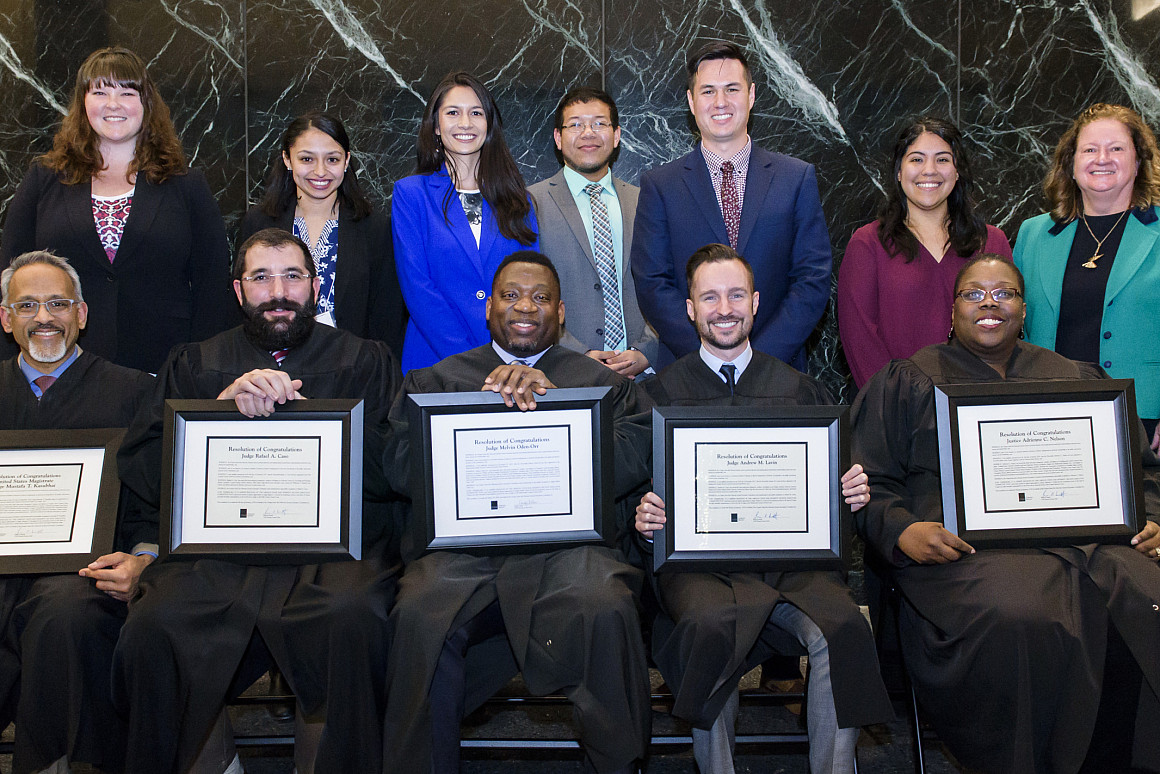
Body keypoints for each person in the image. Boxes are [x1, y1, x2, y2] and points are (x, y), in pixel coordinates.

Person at [852, 254, 1160, 773]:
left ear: (1024, 310)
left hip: (1090, 543)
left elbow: (1139, 472)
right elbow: (869, 482)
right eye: (974, 293)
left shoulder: (1075, 379)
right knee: (1020, 616)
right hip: (961, 555)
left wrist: (1151, 515)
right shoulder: (907, 380)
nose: (990, 303)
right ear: (952, 312)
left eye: (1005, 293)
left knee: (1145, 598)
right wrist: (903, 531)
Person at [113, 228, 402, 774]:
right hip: (215, 559)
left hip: (329, 558)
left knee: (353, 618)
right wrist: (212, 412)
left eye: (292, 276)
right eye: (261, 277)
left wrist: (317, 418)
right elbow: (144, 468)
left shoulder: (364, 359)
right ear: (238, 289)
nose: (278, 290)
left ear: (315, 287)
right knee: (154, 627)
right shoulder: (196, 364)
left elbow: (394, 467)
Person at [382, 252, 652, 774]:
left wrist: (560, 411)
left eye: (541, 297)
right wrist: (474, 413)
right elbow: (396, 466)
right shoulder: (437, 381)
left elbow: (634, 459)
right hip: (463, 556)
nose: (525, 306)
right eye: (510, 295)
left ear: (562, 312)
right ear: (489, 310)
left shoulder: (601, 383)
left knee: (606, 605)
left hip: (572, 551)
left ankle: (621, 764)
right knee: (419, 612)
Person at [633, 244, 892, 774]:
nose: (723, 308)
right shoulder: (656, 395)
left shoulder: (800, 390)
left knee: (842, 627)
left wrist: (852, 491)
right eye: (709, 297)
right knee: (711, 626)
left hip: (793, 565)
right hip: (699, 568)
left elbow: (834, 497)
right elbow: (632, 499)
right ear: (689, 308)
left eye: (734, 295)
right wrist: (643, 520)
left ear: (754, 302)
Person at [0, 250, 152, 774]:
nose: (44, 317)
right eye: (28, 305)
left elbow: (155, 500)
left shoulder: (135, 392)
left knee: (68, 616)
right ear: (6, 318)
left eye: (58, 303)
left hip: (81, 574)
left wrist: (143, 559)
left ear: (81, 314)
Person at [0, 46, 238, 373]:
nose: (113, 104)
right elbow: (9, 277)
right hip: (62, 367)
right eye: (100, 91)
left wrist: (202, 368)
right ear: (83, 103)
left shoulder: (187, 185)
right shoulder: (44, 179)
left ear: (146, 104)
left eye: (127, 92)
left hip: (164, 365)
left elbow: (212, 286)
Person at [631, 41, 831, 372]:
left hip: (778, 372)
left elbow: (812, 278)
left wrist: (758, 360)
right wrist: (708, 358)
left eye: (732, 89)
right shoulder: (660, 185)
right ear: (692, 102)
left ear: (751, 96)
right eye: (708, 91)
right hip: (690, 374)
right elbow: (652, 283)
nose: (720, 102)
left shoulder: (795, 178)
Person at [1014, 103, 1160, 452]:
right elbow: (1016, 330)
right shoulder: (1032, 234)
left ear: (1138, 162)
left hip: (1144, 421)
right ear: (1072, 164)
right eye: (1090, 149)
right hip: (1047, 417)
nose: (1102, 158)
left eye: (1116, 148)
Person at [837, 116, 1012, 389]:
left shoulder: (991, 243)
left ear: (957, 171)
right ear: (898, 171)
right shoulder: (868, 244)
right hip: (897, 411)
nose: (929, 170)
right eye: (916, 159)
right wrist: (900, 402)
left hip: (977, 407)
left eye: (942, 159)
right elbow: (860, 341)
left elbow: (1008, 331)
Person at [392, 71, 539, 372]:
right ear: (435, 126)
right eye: (453, 113)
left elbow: (533, 283)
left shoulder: (519, 200)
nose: (465, 123)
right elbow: (418, 288)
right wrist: (478, 362)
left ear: (489, 125)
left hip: (514, 363)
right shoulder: (411, 194)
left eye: (476, 113)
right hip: (437, 363)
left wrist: (512, 359)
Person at [237, 111, 407, 357]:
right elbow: (244, 305)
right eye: (306, 159)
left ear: (347, 161)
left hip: (349, 368)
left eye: (332, 160)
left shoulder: (373, 227)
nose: (320, 172)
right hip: (272, 369)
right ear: (287, 159)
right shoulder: (259, 223)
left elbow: (386, 315)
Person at [528, 87, 661, 378]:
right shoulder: (531, 203)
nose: (588, 133)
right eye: (575, 124)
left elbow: (666, 283)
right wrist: (577, 355)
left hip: (643, 377)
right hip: (562, 375)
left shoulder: (646, 202)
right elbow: (526, 295)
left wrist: (647, 351)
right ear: (558, 138)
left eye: (599, 123)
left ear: (616, 136)